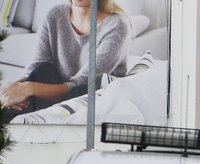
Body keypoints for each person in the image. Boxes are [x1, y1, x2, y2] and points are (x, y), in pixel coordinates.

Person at [1, 1, 132, 119]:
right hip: (53, 97)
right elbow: (36, 65)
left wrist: (28, 89)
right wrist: (12, 90)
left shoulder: (118, 26)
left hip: (90, 103)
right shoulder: (55, 14)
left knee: (81, 89)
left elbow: (83, 84)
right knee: (43, 70)